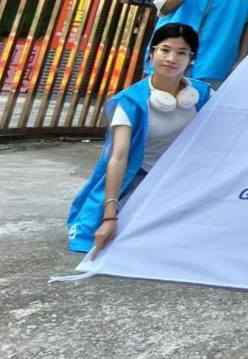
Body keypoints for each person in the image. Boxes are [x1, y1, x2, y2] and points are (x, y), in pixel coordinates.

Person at [66, 23, 212, 257]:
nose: (172, 58)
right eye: (165, 50)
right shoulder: (130, 102)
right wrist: (109, 216)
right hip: (142, 178)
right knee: (132, 236)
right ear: (152, 53)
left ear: (191, 59)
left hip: (184, 178)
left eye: (182, 52)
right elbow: (118, 158)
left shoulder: (203, 96)